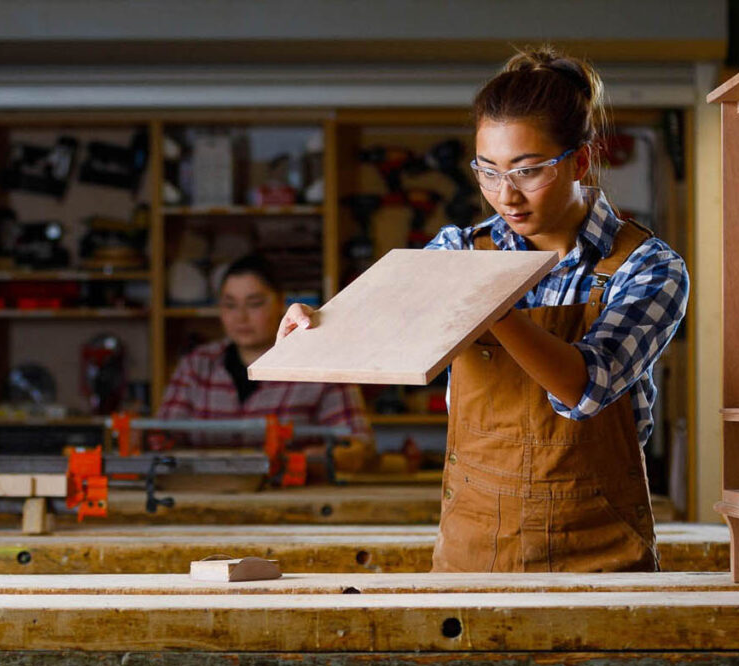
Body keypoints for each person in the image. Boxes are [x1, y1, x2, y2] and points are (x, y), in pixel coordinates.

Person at [279, 46, 689, 572]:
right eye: (488, 172)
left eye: (527, 171)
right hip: (474, 540)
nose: (505, 195)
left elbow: (586, 389)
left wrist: (488, 303)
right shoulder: (458, 250)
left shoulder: (648, 267)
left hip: (598, 547)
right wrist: (321, 320)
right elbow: (391, 322)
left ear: (580, 161)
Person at [159, 252, 374, 473]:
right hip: (206, 493)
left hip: (294, 499)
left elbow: (360, 446)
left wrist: (321, 459)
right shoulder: (196, 366)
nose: (241, 317)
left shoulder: (318, 368)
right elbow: (161, 439)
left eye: (254, 304)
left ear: (281, 303)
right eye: (230, 305)